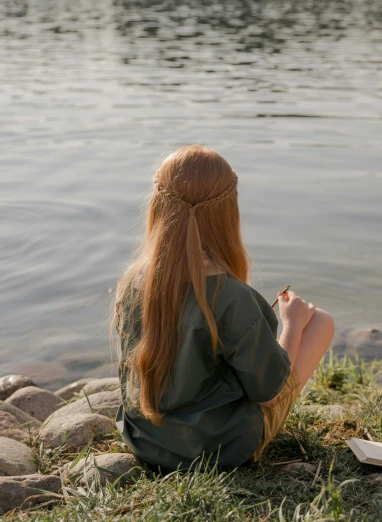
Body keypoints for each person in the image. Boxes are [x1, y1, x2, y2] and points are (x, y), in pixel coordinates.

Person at [112, 145, 335, 472]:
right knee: (320, 323)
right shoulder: (232, 297)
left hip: (145, 440)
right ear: (227, 213)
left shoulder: (132, 284)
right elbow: (268, 393)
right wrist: (291, 324)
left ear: (157, 207)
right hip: (218, 450)